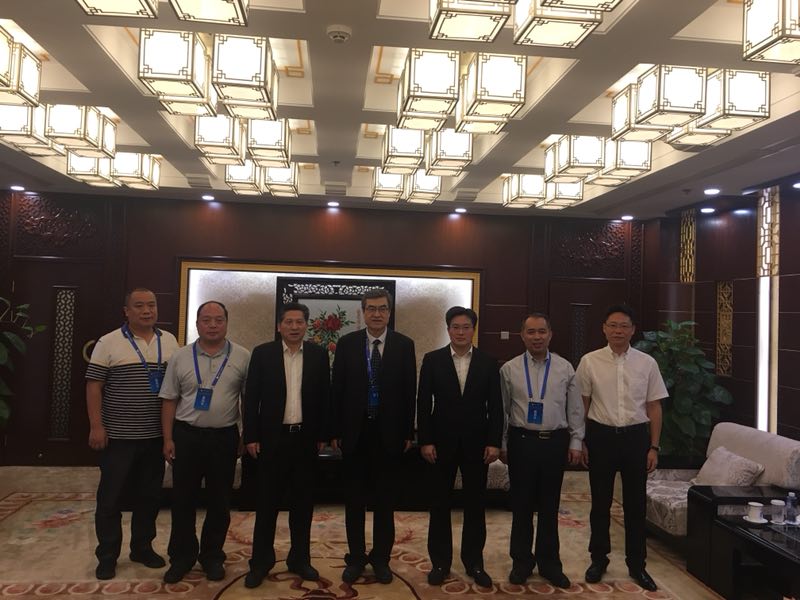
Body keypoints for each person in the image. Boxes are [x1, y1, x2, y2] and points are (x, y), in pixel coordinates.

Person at [86, 288, 180, 580]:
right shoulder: (109, 342)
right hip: (118, 437)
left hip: (155, 436)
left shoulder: (170, 341)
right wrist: (96, 426)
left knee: (149, 497)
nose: (147, 310)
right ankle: (107, 556)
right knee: (110, 499)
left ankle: (142, 548)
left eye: (151, 305)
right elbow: (94, 386)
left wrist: (170, 435)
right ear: (126, 311)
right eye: (139, 306)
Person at [576, 304, 666, 592]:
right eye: (613, 325)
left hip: (636, 439)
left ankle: (637, 564)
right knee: (600, 503)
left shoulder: (647, 363)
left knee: (635, 505)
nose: (618, 331)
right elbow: (582, 404)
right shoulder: (589, 361)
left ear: (633, 330)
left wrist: (653, 447)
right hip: (601, 437)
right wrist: (581, 440)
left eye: (624, 326)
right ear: (604, 329)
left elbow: (654, 406)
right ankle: (598, 559)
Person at [158, 301, 250, 584]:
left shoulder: (242, 356)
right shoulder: (180, 356)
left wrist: (245, 436)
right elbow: (169, 399)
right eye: (206, 320)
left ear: (226, 323)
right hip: (187, 436)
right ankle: (182, 557)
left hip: (224, 437)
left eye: (218, 320)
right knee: (183, 500)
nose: (212, 325)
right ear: (197, 324)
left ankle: (212, 556)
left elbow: (248, 400)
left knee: (220, 501)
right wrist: (168, 438)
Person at [331, 288, 416, 585]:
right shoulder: (347, 343)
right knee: (354, 502)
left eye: (382, 309)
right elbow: (337, 389)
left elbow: (409, 392)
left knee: (384, 502)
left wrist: (408, 432)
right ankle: (355, 558)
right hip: (355, 434)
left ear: (389, 313)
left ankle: (381, 559)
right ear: (363, 312)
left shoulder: (404, 345)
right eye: (371, 309)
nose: (377, 314)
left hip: (389, 434)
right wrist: (335, 431)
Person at [242, 302, 330, 588]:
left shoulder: (318, 355)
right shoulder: (262, 353)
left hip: (305, 439)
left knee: (302, 504)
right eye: (288, 322)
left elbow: (324, 397)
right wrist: (251, 436)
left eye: (299, 322)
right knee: (267, 504)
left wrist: (322, 435)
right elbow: (251, 398)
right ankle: (260, 562)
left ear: (306, 325)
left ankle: (299, 559)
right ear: (279, 325)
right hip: (271, 440)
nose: (294, 327)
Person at [417, 306, 502, 589]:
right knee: (439, 503)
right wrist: (426, 440)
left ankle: (474, 562)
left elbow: (496, 406)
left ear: (473, 330)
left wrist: (494, 442)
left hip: (478, 445)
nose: (461, 332)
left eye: (466, 327)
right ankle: (440, 563)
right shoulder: (433, 360)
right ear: (448, 329)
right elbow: (423, 403)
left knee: (475, 505)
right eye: (456, 327)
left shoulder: (488, 362)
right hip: (440, 444)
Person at [499, 313, 584, 589]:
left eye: (542, 331)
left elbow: (575, 408)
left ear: (550, 334)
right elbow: (503, 411)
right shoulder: (509, 369)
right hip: (522, 441)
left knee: (549, 506)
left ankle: (549, 564)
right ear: (522, 335)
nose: (537, 337)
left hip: (554, 442)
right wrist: (502, 443)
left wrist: (576, 441)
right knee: (521, 505)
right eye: (531, 332)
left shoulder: (565, 368)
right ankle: (521, 562)